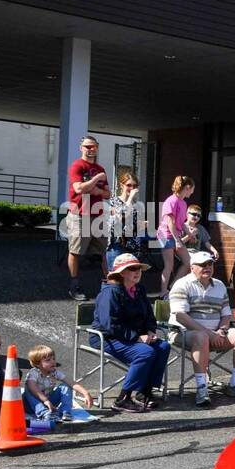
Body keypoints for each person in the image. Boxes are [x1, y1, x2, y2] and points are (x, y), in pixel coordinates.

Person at [169, 250, 235, 405]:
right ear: (192, 268)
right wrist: (209, 334)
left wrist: (221, 331)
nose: (207, 267)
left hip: (215, 333)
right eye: (202, 265)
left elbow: (226, 315)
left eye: (210, 264)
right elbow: (180, 316)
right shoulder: (182, 284)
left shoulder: (220, 285)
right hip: (183, 333)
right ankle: (202, 388)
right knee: (201, 337)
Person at [92, 253, 172, 412]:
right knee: (145, 353)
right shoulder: (110, 292)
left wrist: (150, 331)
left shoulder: (139, 289)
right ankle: (123, 398)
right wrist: (137, 338)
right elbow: (110, 325)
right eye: (132, 268)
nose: (137, 271)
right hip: (107, 338)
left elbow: (149, 315)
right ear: (121, 273)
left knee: (163, 347)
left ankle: (144, 392)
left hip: (132, 336)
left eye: (139, 268)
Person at [65, 135, 111, 301]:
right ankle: (74, 285)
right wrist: (97, 179)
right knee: (76, 251)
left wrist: (97, 191)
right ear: (81, 148)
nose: (90, 149)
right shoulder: (77, 166)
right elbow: (79, 188)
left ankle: (110, 283)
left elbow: (107, 193)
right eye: (87, 147)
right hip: (80, 215)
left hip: (97, 215)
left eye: (93, 147)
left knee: (105, 250)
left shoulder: (101, 167)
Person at [24, 345, 93, 425]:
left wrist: (85, 393)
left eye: (53, 359)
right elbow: (32, 386)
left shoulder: (55, 372)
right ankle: (44, 413)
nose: (53, 362)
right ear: (38, 364)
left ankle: (65, 412)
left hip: (49, 403)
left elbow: (71, 382)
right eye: (48, 360)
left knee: (65, 386)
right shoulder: (34, 373)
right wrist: (45, 400)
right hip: (32, 405)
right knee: (28, 389)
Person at [156, 175, 196, 296]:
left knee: (188, 262)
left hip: (175, 235)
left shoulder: (183, 203)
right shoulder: (171, 201)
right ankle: (163, 291)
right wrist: (177, 240)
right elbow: (170, 222)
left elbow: (181, 223)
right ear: (188, 187)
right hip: (166, 235)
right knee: (169, 265)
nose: (193, 192)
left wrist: (189, 233)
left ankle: (173, 287)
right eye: (192, 189)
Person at [106, 171, 145, 271]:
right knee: (116, 277)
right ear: (121, 185)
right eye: (129, 185)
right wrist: (131, 197)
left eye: (135, 186)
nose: (132, 188)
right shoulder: (114, 201)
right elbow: (121, 216)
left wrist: (140, 225)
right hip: (117, 245)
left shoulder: (137, 204)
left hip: (133, 246)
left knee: (131, 280)